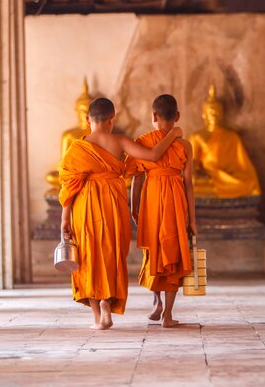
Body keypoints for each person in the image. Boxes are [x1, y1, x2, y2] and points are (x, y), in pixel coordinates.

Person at [59, 97, 182, 330]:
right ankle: (108, 300)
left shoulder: (77, 147)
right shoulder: (120, 141)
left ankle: (99, 315)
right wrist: (173, 134)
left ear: (88, 120)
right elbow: (154, 155)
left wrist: (65, 218)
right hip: (113, 204)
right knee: (111, 253)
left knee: (87, 255)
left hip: (84, 205)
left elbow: (69, 186)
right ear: (112, 119)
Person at [127, 94, 197, 328]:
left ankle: (155, 301)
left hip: (151, 198)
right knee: (173, 253)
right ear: (177, 116)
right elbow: (189, 184)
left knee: (154, 250)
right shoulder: (184, 145)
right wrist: (193, 220)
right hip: (176, 200)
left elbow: (136, 179)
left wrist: (133, 208)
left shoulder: (143, 141)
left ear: (153, 116)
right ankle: (167, 315)